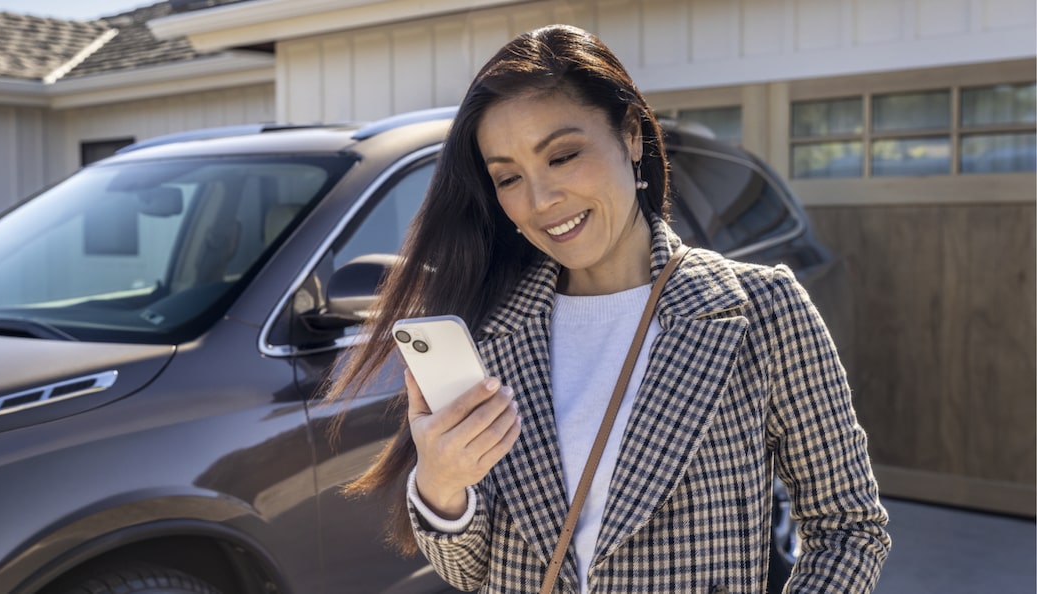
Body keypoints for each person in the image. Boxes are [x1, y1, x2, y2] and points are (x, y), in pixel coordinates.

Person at [328, 24, 890, 593]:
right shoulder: (491, 332)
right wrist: (442, 487)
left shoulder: (760, 312)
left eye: (564, 156)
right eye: (508, 177)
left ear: (630, 137)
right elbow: (472, 572)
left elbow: (848, 526)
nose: (541, 200)